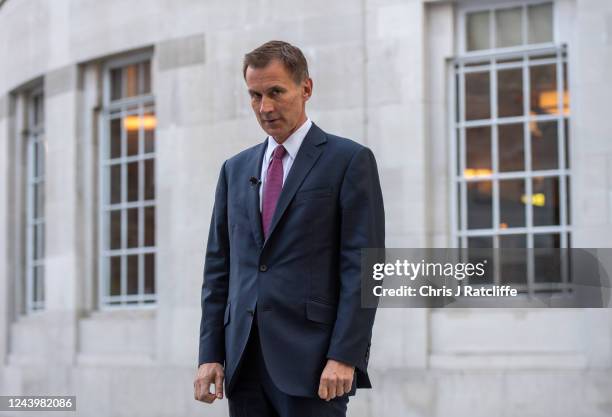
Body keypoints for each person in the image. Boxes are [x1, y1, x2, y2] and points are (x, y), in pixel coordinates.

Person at [193, 40, 385, 417]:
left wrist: (345, 355)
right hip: (243, 363)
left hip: (314, 365)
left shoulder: (349, 161)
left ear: (306, 89)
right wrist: (210, 354)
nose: (265, 107)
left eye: (275, 92)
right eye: (255, 95)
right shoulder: (234, 169)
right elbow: (219, 270)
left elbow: (364, 270)